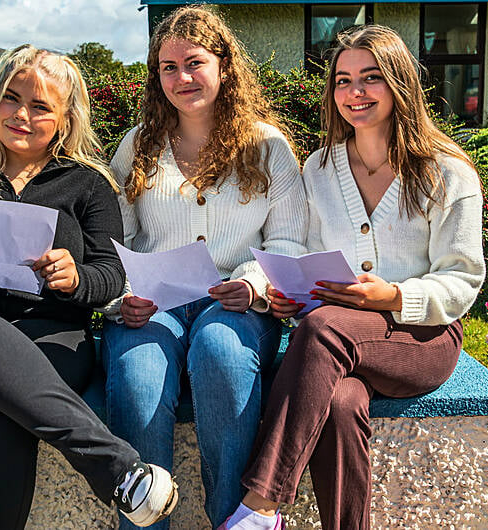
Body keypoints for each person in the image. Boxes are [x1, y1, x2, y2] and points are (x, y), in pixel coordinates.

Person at [0, 44, 179, 529]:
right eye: (10, 98)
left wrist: (76, 277)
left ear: (65, 119)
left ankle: (117, 470)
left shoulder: (88, 183)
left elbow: (111, 274)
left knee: (0, 402)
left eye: (40, 106)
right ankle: (115, 466)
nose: (21, 114)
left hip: (50, 339)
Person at [224, 25, 486, 530]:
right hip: (341, 336)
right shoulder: (320, 168)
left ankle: (260, 508)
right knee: (341, 402)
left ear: (399, 84)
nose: (355, 92)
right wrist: (287, 293)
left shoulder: (446, 172)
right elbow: (305, 251)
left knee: (322, 328)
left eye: (370, 78)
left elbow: (462, 278)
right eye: (343, 80)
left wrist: (393, 295)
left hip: (422, 338)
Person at [100, 6, 308, 529]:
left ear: (224, 65)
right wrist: (123, 295)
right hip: (156, 302)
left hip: (235, 301)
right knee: (137, 374)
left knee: (221, 353)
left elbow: (288, 237)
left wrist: (255, 284)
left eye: (194, 62)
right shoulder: (136, 145)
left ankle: (235, 520)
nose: (181, 78)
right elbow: (116, 240)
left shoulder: (267, 147)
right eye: (167, 68)